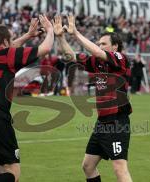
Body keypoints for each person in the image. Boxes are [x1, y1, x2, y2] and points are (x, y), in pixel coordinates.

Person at [0, 16, 54, 182]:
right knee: (13, 173)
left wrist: (28, 35)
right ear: (5, 41)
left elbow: (8, 48)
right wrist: (50, 30)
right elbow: (45, 48)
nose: (13, 42)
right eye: (11, 39)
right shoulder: (7, 56)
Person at [52, 15, 132, 182]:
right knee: (88, 166)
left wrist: (75, 34)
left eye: (104, 44)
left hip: (117, 122)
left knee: (119, 168)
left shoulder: (120, 58)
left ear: (115, 47)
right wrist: (60, 38)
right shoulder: (97, 62)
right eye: (99, 43)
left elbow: (95, 51)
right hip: (102, 123)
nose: (99, 46)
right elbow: (71, 57)